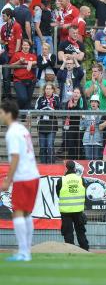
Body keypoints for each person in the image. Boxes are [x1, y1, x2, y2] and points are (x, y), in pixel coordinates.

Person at [0, 100, 40, 262]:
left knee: (17, 212)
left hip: (23, 176)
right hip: (33, 174)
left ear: (9, 114)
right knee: (26, 213)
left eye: (2, 113)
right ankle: (26, 250)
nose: (1, 116)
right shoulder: (22, 128)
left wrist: (8, 180)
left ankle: (24, 252)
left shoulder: (12, 132)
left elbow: (15, 157)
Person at [56, 160, 89, 251]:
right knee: (80, 232)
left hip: (66, 211)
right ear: (74, 168)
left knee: (68, 232)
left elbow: (58, 194)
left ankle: (70, 251)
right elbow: (84, 192)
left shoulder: (61, 180)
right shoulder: (80, 179)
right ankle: (85, 250)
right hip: (78, 210)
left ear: (66, 168)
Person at [34, 83, 60, 164]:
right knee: (42, 147)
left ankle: (51, 164)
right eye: (46, 89)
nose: (48, 90)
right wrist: (43, 110)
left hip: (52, 125)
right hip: (42, 125)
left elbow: (59, 110)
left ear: (53, 90)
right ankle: (43, 165)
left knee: (50, 145)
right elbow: (36, 110)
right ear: (44, 90)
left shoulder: (56, 98)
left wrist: (51, 109)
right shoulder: (40, 98)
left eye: (50, 89)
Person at [9, 39, 37, 109]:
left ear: (30, 47)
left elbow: (37, 62)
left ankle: (24, 118)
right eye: (24, 45)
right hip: (19, 80)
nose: (26, 46)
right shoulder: (17, 54)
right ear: (22, 46)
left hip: (31, 80)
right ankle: (16, 110)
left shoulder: (33, 55)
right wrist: (19, 62)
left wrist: (30, 62)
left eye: (27, 45)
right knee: (23, 98)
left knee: (28, 101)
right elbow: (10, 65)